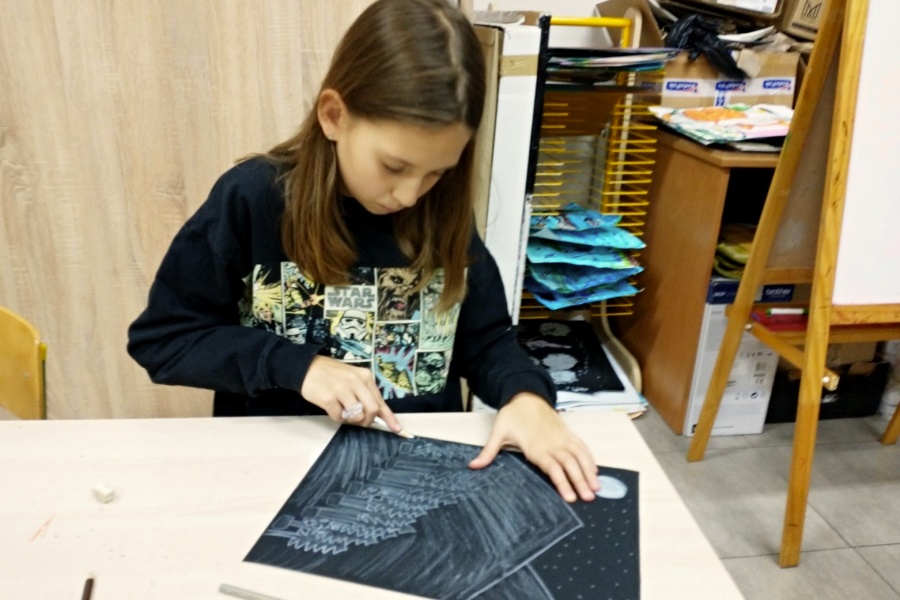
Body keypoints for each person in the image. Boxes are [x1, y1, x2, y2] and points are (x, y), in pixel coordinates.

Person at [128, 0, 600, 503]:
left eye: (437, 172)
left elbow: (485, 341)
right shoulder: (252, 199)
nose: (410, 195)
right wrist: (297, 366)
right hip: (274, 479)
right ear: (334, 116)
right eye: (394, 167)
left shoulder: (440, 212)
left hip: (412, 477)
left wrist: (526, 395)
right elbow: (166, 339)